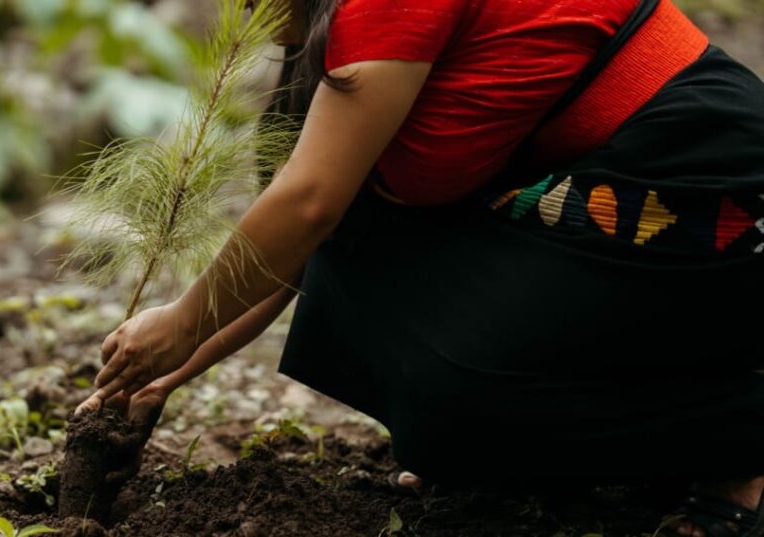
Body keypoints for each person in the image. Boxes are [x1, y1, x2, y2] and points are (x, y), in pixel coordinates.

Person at [76, 0, 764, 534]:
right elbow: (296, 247)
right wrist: (161, 375)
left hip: (700, 187)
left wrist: (183, 321)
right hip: (587, 196)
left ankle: (736, 447)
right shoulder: (331, 38)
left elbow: (310, 207)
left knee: (454, 403)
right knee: (391, 323)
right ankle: (614, 448)